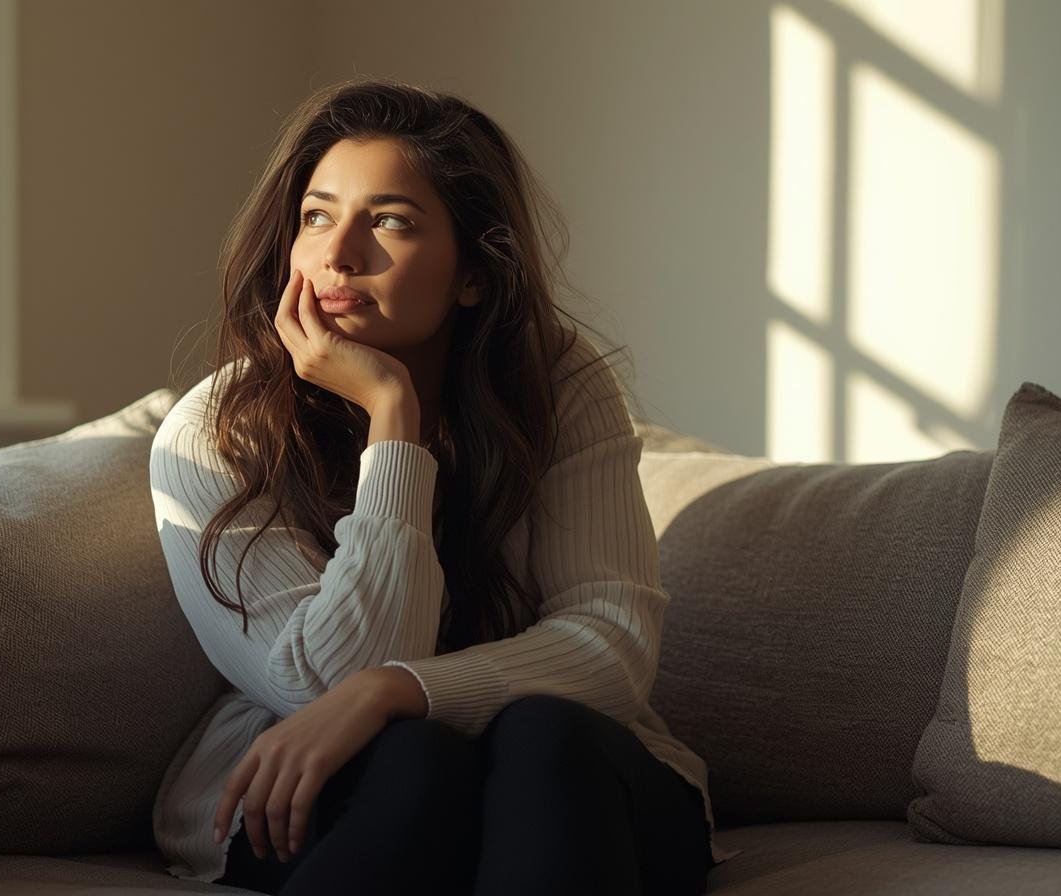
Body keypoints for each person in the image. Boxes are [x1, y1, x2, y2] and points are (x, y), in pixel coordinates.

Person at [149, 77, 732, 896]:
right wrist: (395, 419)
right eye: (316, 215)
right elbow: (320, 684)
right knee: (413, 758)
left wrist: (407, 689)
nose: (337, 254)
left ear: (474, 273)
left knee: (541, 736)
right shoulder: (219, 429)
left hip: (559, 778)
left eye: (389, 221)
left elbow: (614, 642)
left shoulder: (556, 386)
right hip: (315, 786)